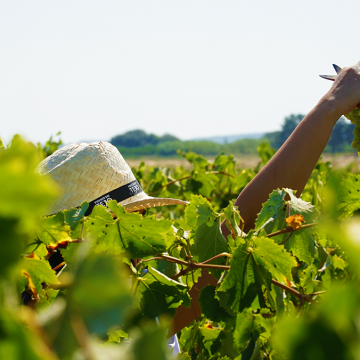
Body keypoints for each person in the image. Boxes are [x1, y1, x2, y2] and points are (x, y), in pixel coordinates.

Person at [169, 61, 360, 336]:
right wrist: (331, 104)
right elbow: (240, 230)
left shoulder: (138, 319)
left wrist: (332, 105)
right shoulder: (111, 327)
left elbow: (236, 234)